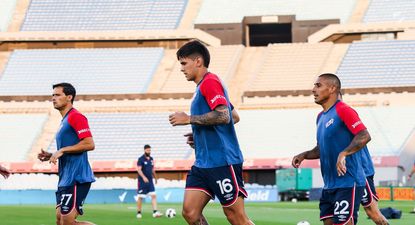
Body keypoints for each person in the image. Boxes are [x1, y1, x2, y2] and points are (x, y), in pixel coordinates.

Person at [169, 40, 253, 225]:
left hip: (222, 161)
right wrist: (200, 135)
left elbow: (224, 116)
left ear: (198, 61)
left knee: (236, 217)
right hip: (203, 164)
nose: (181, 69)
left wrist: (190, 119)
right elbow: (234, 116)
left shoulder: (210, 82)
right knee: (190, 213)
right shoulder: (202, 87)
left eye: (184, 63)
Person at [292, 73, 368, 225]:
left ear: (332, 88)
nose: (313, 90)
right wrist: (305, 154)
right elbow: (322, 149)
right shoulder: (321, 117)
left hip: (348, 182)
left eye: (318, 85)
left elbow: (364, 135)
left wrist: (344, 153)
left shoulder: (344, 110)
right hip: (329, 185)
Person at [37, 83, 96, 225]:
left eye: (57, 95)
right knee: (60, 220)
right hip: (65, 178)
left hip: (77, 177)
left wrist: (62, 150)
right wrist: (52, 154)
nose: (53, 98)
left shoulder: (76, 117)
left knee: (67, 221)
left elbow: (89, 144)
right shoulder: (64, 121)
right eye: (52, 95)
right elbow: (72, 147)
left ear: (69, 97)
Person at [338, 94, 389, 224]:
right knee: (342, 216)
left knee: (372, 212)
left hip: (361, 172)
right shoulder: (329, 117)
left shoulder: (346, 113)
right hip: (348, 174)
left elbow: (364, 136)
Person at [136, 144, 162, 219]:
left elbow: (152, 169)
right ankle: (139, 213)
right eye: (147, 150)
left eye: (150, 150)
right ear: (144, 150)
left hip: (150, 181)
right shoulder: (140, 159)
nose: (149, 151)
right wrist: (143, 177)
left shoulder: (151, 159)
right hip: (142, 182)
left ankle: (155, 212)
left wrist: (156, 178)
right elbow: (139, 169)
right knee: (140, 197)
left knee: (153, 195)